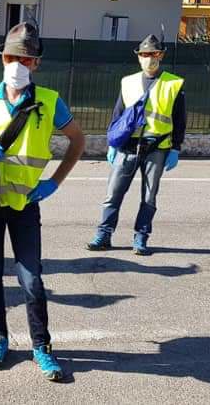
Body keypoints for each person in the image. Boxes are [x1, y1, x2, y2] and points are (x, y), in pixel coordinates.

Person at [0, 22, 86, 381]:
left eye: (26, 60)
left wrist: (54, 182)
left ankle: (41, 346)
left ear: (36, 64)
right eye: (11, 57)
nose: (17, 65)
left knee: (31, 280)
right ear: (2, 58)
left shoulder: (49, 101)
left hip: (26, 205)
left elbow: (78, 140)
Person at [87, 34, 187, 255]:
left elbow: (180, 120)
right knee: (113, 194)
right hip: (128, 146)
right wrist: (112, 143)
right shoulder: (128, 82)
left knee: (149, 196)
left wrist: (175, 148)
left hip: (157, 147)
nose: (149, 58)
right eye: (144, 54)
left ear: (160, 56)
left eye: (153, 54)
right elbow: (118, 113)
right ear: (139, 57)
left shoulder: (173, 84)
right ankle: (104, 234)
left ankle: (141, 237)